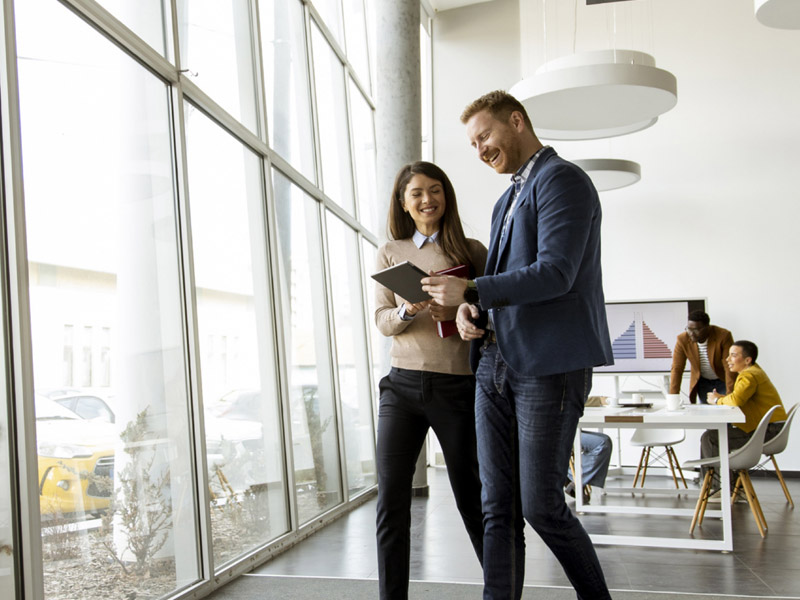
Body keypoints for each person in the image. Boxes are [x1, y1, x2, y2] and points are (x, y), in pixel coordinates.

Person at [422, 91, 613, 599]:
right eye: (473, 143)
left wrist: (471, 289)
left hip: (547, 366)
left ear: (517, 120)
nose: (480, 148)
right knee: (497, 507)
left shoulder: (562, 180)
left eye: (484, 135)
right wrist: (471, 309)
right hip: (494, 364)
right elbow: (502, 282)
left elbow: (555, 273)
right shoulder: (507, 198)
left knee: (541, 506)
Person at [374, 161, 487, 600]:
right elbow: (382, 320)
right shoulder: (390, 252)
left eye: (435, 190)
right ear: (403, 202)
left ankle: (500, 591)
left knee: (472, 499)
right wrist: (408, 311)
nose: (427, 200)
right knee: (392, 503)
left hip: (457, 385)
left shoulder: (471, 251)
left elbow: (495, 312)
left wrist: (460, 311)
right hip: (400, 385)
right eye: (417, 193)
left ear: (447, 195)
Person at [702, 340, 787, 498]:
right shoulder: (754, 371)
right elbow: (737, 397)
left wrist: (716, 400)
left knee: (710, 438)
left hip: (769, 431)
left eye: (733, 356)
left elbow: (736, 401)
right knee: (715, 435)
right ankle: (730, 486)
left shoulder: (749, 375)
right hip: (771, 428)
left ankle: (719, 489)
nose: (728, 360)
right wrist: (723, 398)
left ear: (747, 360)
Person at [669, 310, 736, 404]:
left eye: (696, 330)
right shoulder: (682, 339)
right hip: (703, 381)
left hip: (723, 380)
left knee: (726, 410)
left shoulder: (723, 336)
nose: (691, 333)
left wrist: (730, 396)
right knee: (706, 413)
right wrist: (673, 398)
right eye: (689, 329)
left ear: (707, 327)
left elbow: (729, 366)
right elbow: (677, 368)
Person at [565, 431, 614, 504]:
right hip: (556, 434)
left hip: (566, 429)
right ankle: (575, 478)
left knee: (605, 440)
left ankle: (575, 477)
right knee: (603, 443)